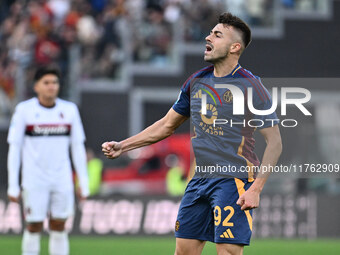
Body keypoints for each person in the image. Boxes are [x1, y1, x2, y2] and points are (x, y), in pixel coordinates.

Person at [102, 12, 282, 255]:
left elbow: (275, 143)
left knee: (228, 252)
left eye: (217, 35)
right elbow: (167, 125)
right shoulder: (196, 81)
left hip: (233, 181)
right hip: (198, 181)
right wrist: (124, 146)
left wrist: (256, 188)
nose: (208, 37)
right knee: (183, 252)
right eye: (210, 32)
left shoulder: (251, 86)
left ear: (234, 47)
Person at [7, 67, 89, 255]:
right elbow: (15, 148)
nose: (51, 87)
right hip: (34, 179)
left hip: (61, 178)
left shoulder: (69, 110)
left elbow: (77, 147)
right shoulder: (24, 111)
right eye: (47, 83)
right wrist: (13, 184)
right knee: (34, 226)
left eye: (55, 82)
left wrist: (83, 182)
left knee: (59, 226)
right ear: (36, 86)